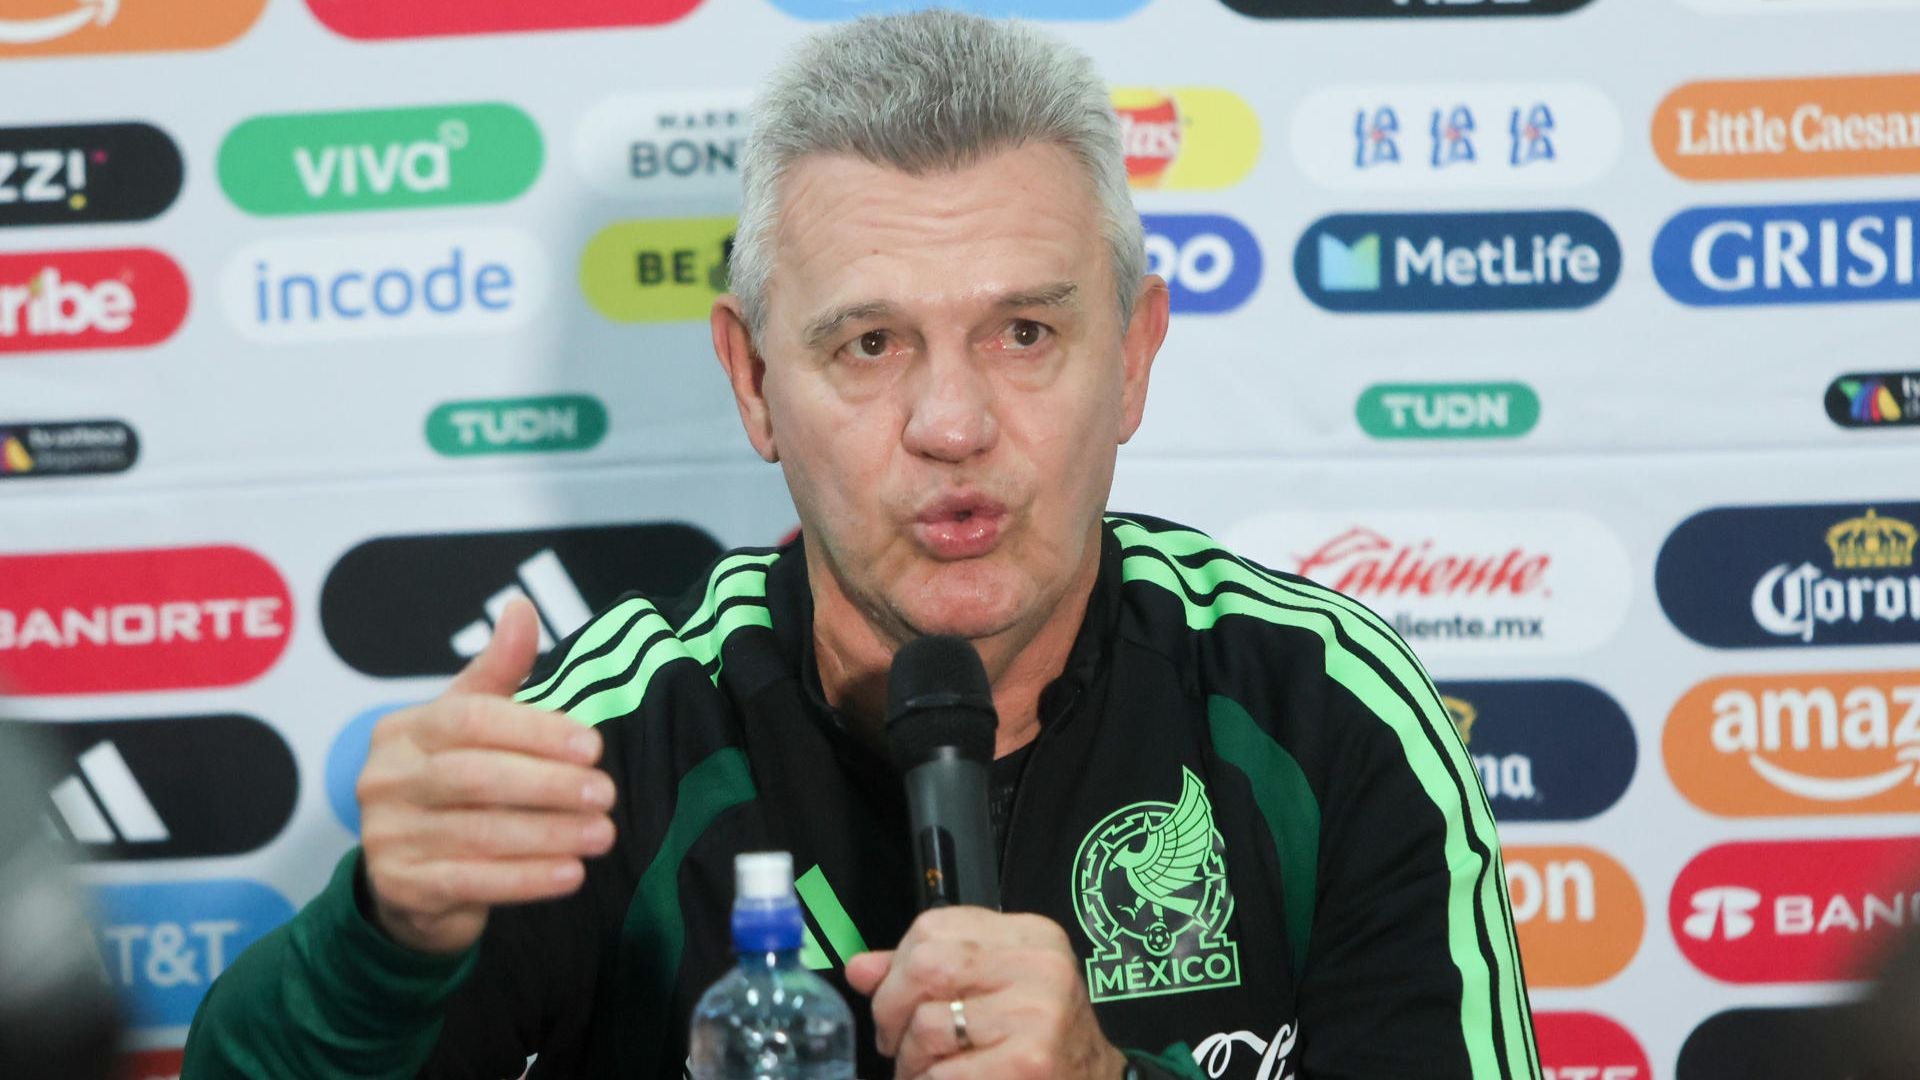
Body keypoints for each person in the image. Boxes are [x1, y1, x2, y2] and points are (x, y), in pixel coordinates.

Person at [182, 11, 1538, 1079]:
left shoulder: (1324, 711)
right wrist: (382, 944)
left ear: (1131, 359)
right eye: (870, 343)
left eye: (1025, 334)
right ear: (755, 383)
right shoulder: (607, 750)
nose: (951, 425)